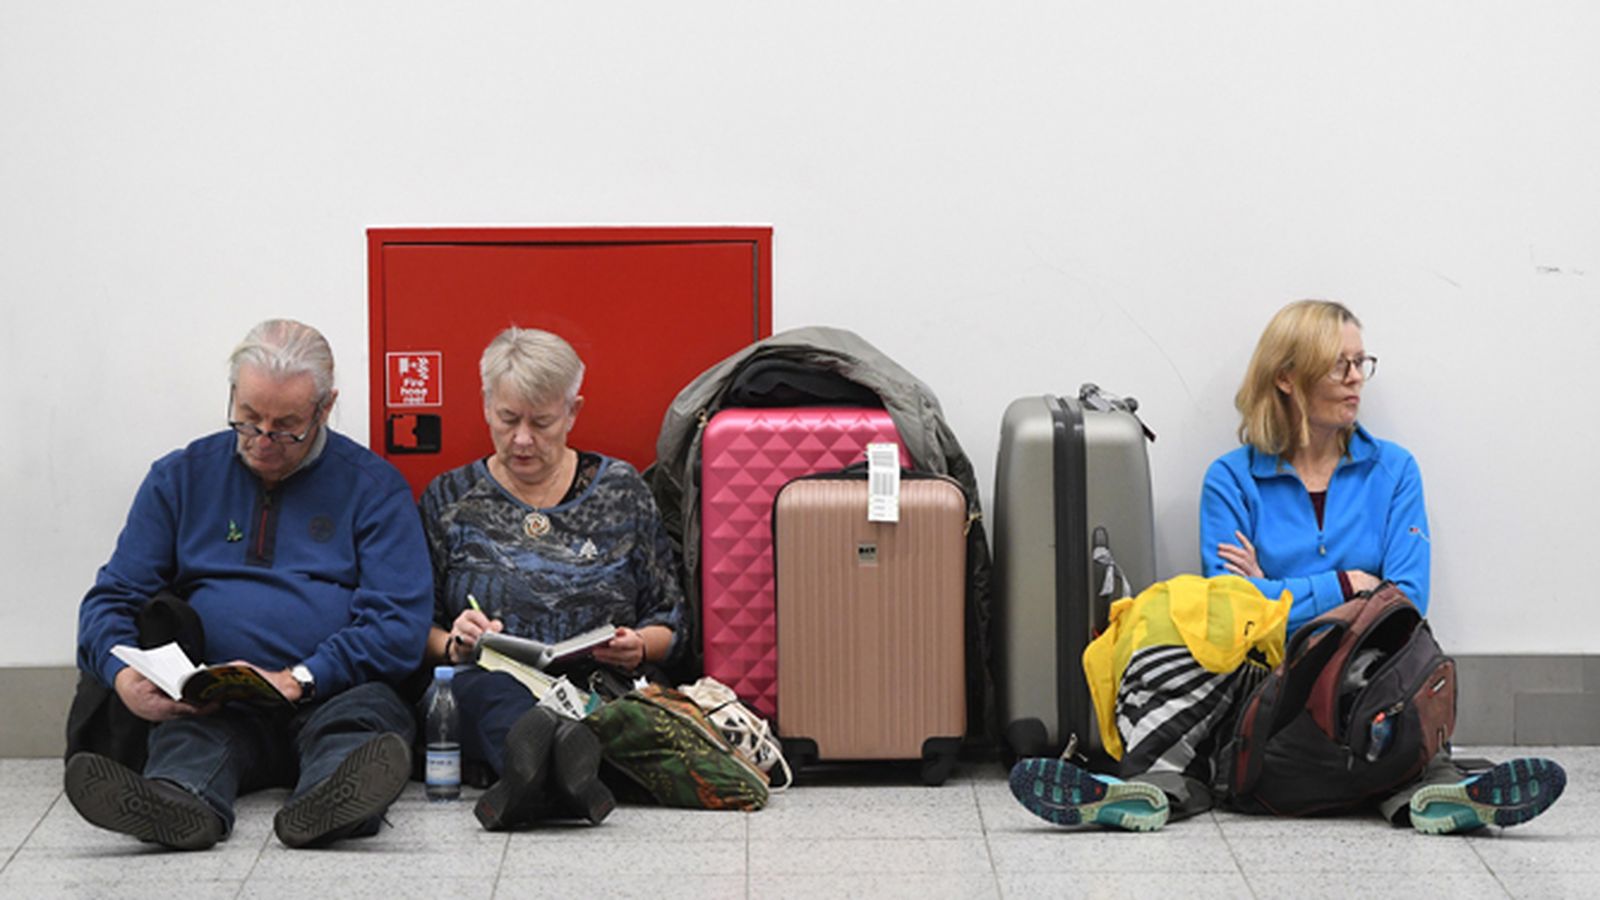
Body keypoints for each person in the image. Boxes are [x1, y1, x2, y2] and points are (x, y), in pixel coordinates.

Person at [1011, 299, 1566, 834]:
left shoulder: (1394, 471)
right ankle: (1149, 791)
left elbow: (1404, 600)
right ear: (1287, 378)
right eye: (1339, 365)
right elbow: (1231, 611)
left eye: (1360, 363)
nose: (1355, 379)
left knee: (1402, 664)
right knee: (1165, 632)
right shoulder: (1231, 479)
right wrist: (1349, 583)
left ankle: (1438, 795)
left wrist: (1273, 591)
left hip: (1361, 674)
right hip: (1265, 684)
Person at [65, 319, 433, 851]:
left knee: (362, 727)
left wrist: (301, 677)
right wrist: (122, 675)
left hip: (334, 691)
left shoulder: (373, 488)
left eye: (287, 427)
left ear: (325, 409)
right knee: (188, 739)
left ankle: (332, 803)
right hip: (218, 702)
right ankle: (178, 804)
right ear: (233, 395)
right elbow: (111, 600)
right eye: (248, 419)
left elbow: (399, 624)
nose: (263, 441)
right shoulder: (179, 479)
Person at [420, 326, 687, 829]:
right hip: (494, 679)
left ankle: (537, 785)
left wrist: (640, 646)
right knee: (486, 696)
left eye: (541, 422)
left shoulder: (621, 490)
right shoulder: (449, 499)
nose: (522, 439)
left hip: (603, 680)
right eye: (507, 419)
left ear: (572, 412)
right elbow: (415, 629)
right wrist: (455, 643)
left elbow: (672, 622)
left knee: (611, 708)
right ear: (485, 406)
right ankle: (568, 778)